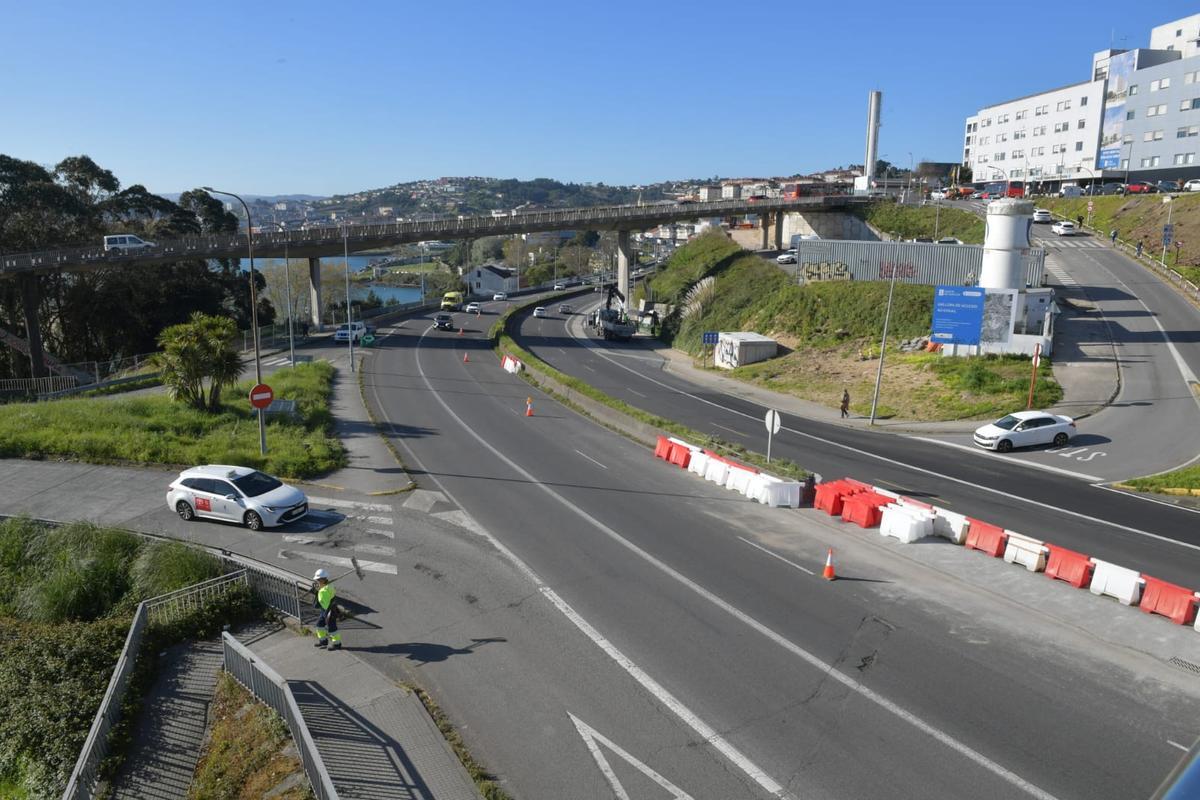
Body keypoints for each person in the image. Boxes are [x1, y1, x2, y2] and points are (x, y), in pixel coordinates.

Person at [312, 569, 341, 650]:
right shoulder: (328, 585)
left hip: (329, 610)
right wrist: (318, 589)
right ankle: (323, 641)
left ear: (323, 579)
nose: (317, 581)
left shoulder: (325, 590)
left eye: (318, 580)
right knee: (319, 625)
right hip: (325, 610)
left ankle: (337, 644)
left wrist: (318, 591)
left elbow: (323, 603)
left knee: (332, 628)